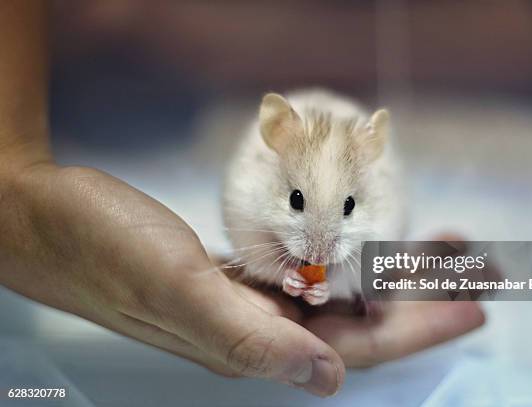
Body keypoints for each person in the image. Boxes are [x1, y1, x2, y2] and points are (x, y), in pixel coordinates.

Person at [0, 1, 484, 397]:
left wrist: (338, 285)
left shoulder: (377, 184)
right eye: (297, 201)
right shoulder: (256, 168)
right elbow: (255, 257)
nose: (317, 248)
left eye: (347, 210)